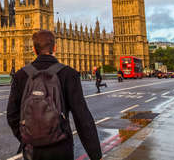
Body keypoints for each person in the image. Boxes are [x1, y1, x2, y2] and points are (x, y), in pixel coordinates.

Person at [7, 30, 102, 160]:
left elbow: (12, 115)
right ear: (55, 48)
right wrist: (96, 155)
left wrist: (26, 138)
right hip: (61, 148)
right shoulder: (69, 74)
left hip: (32, 151)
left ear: (34, 50)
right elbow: (82, 118)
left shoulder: (21, 75)